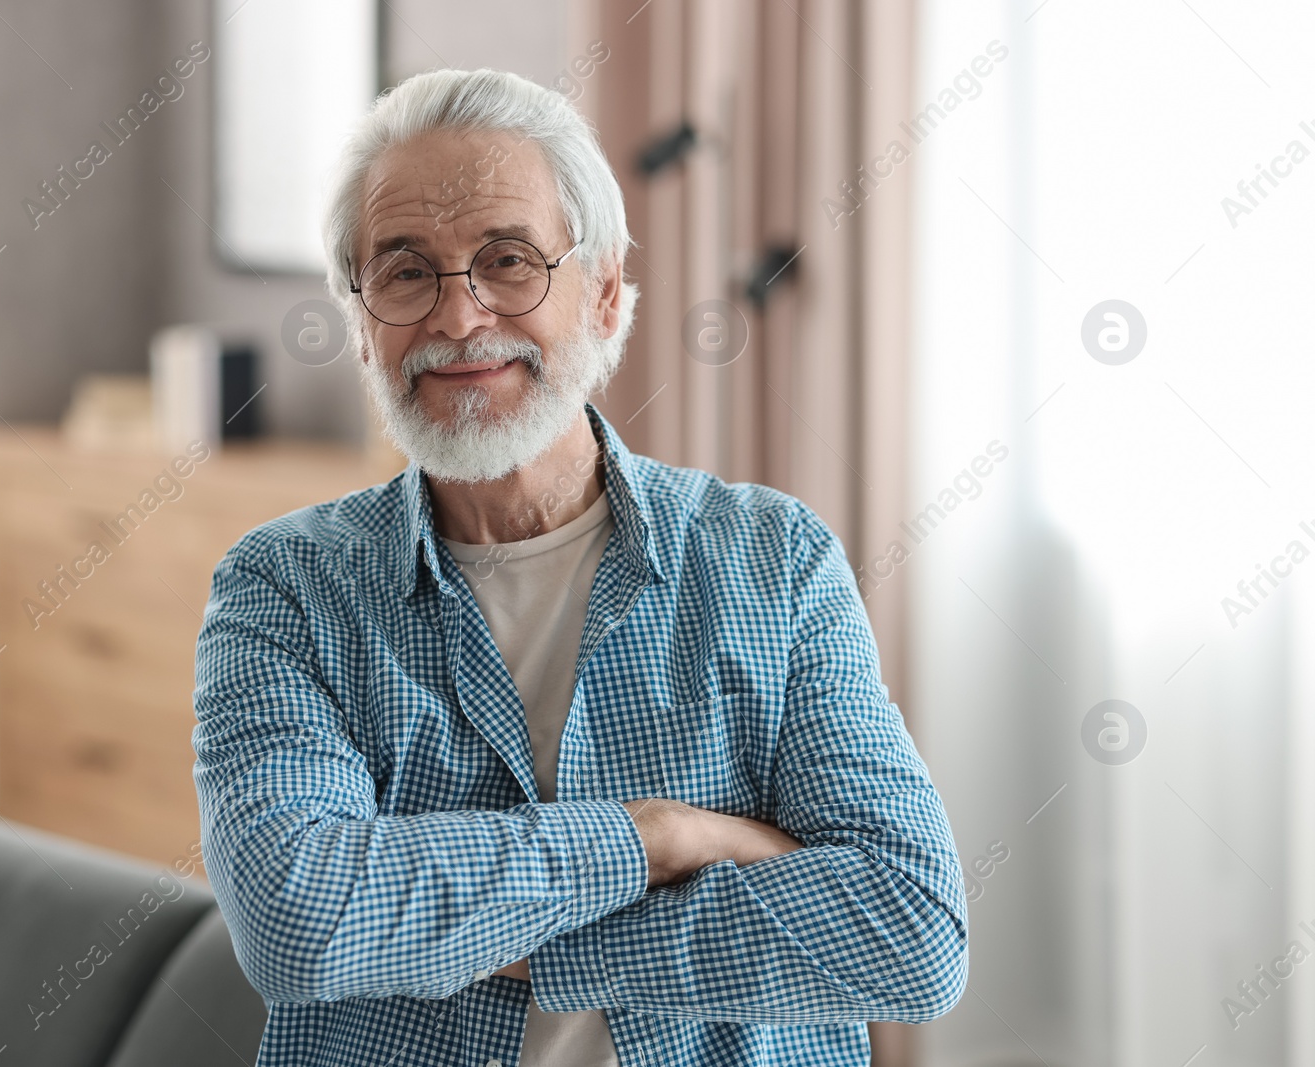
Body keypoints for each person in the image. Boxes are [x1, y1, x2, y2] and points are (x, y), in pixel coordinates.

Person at [193, 67, 967, 1067]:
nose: (459, 318)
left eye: (508, 261)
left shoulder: (774, 562)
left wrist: (470, 927)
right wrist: (660, 836)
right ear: (359, 320)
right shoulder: (283, 589)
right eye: (405, 270)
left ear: (603, 296)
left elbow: (906, 929)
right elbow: (303, 920)